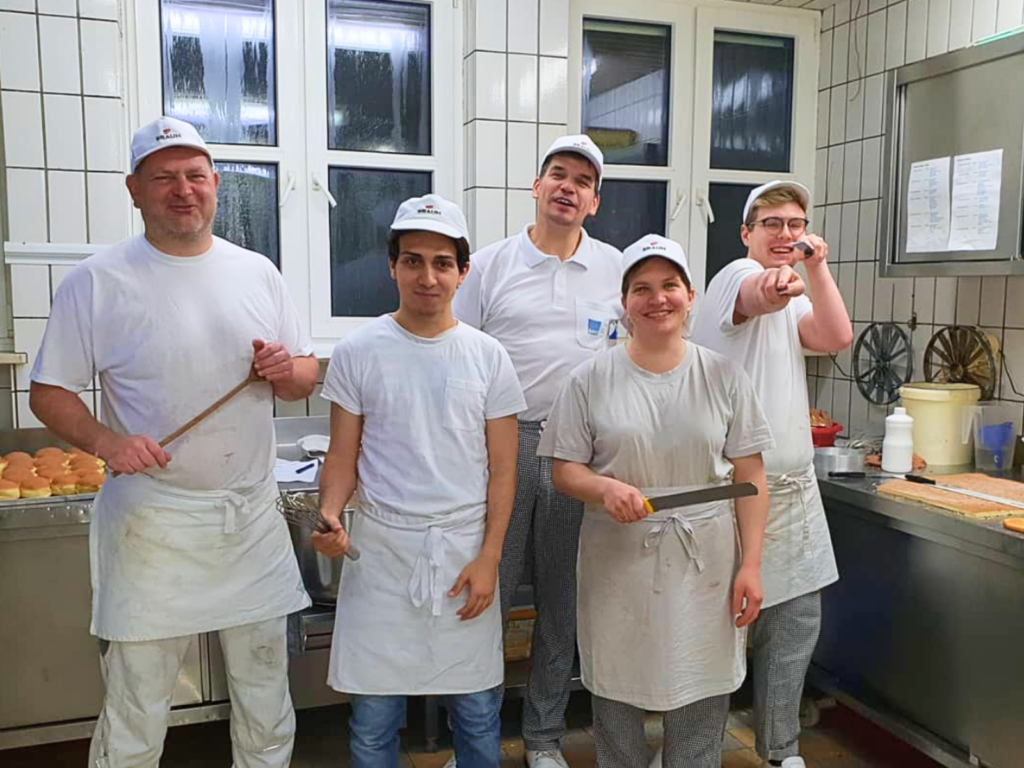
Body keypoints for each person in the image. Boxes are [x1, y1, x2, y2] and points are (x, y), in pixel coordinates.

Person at [29, 116, 318, 768]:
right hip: (153, 525)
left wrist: (287, 370)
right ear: (134, 190)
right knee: (137, 705)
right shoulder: (98, 281)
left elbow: (302, 376)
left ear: (215, 183)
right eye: (164, 178)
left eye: (194, 176)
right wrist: (107, 440)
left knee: (266, 697)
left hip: (247, 519)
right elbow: (47, 392)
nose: (182, 190)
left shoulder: (258, 273)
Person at [538, 234, 773, 768]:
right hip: (618, 556)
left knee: (700, 685)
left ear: (691, 295)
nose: (657, 298)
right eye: (641, 288)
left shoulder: (723, 376)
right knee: (619, 688)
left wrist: (752, 565)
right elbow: (562, 470)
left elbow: (750, 476)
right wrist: (603, 488)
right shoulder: (590, 378)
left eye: (669, 285)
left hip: (706, 558)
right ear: (625, 303)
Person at [312, 194, 526, 768]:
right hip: (382, 554)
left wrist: (490, 558)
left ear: (463, 271)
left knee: (478, 715)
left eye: (441, 263)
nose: (426, 276)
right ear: (392, 266)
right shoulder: (359, 351)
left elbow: (504, 471)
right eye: (412, 260)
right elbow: (342, 456)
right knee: (374, 722)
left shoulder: (487, 357)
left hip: (463, 554)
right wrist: (330, 513)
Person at [451, 135, 622, 768]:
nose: (568, 187)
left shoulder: (614, 269)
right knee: (486, 598)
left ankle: (544, 738)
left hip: (582, 452)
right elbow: (456, 358)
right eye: (558, 174)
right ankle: (475, 743)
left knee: (561, 600)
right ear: (537, 185)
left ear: (594, 201)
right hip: (504, 445)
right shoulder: (492, 265)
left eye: (582, 180)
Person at [690, 180, 853, 768]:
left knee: (794, 627)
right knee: (717, 629)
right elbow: (760, 293)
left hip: (794, 486)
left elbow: (836, 337)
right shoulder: (732, 277)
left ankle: (781, 750)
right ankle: (697, 752)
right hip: (729, 493)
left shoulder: (798, 296)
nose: (785, 235)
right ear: (746, 233)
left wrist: (819, 269)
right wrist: (783, 277)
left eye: (796, 224)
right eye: (772, 225)